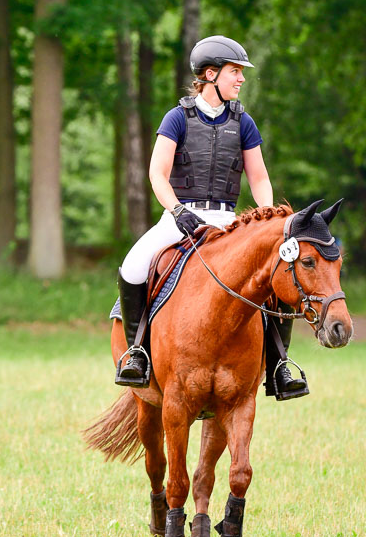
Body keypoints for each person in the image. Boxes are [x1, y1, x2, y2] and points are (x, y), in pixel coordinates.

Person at [116, 34, 308, 401]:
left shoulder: (244, 122)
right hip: (181, 218)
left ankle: (279, 364)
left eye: (241, 72)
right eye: (235, 71)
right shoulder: (177, 118)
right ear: (210, 74)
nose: (241, 79)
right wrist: (177, 210)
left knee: (275, 271)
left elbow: (259, 178)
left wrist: (267, 215)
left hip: (227, 222)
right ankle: (137, 353)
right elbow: (158, 174)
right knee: (133, 267)